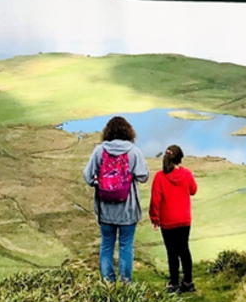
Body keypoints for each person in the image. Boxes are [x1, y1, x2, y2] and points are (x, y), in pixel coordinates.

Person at [83, 116, 149, 283]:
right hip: (128, 210)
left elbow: (87, 176)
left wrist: (98, 182)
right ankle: (126, 282)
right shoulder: (133, 151)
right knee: (126, 246)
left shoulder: (99, 151)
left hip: (105, 210)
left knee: (106, 246)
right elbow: (143, 177)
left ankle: (108, 283)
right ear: (128, 132)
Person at [148, 144, 197, 293]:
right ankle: (188, 282)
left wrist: (154, 218)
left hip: (167, 221)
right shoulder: (187, 174)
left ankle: (174, 283)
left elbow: (155, 200)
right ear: (180, 159)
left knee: (172, 252)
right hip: (184, 219)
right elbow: (193, 190)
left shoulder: (159, 176)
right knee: (184, 249)